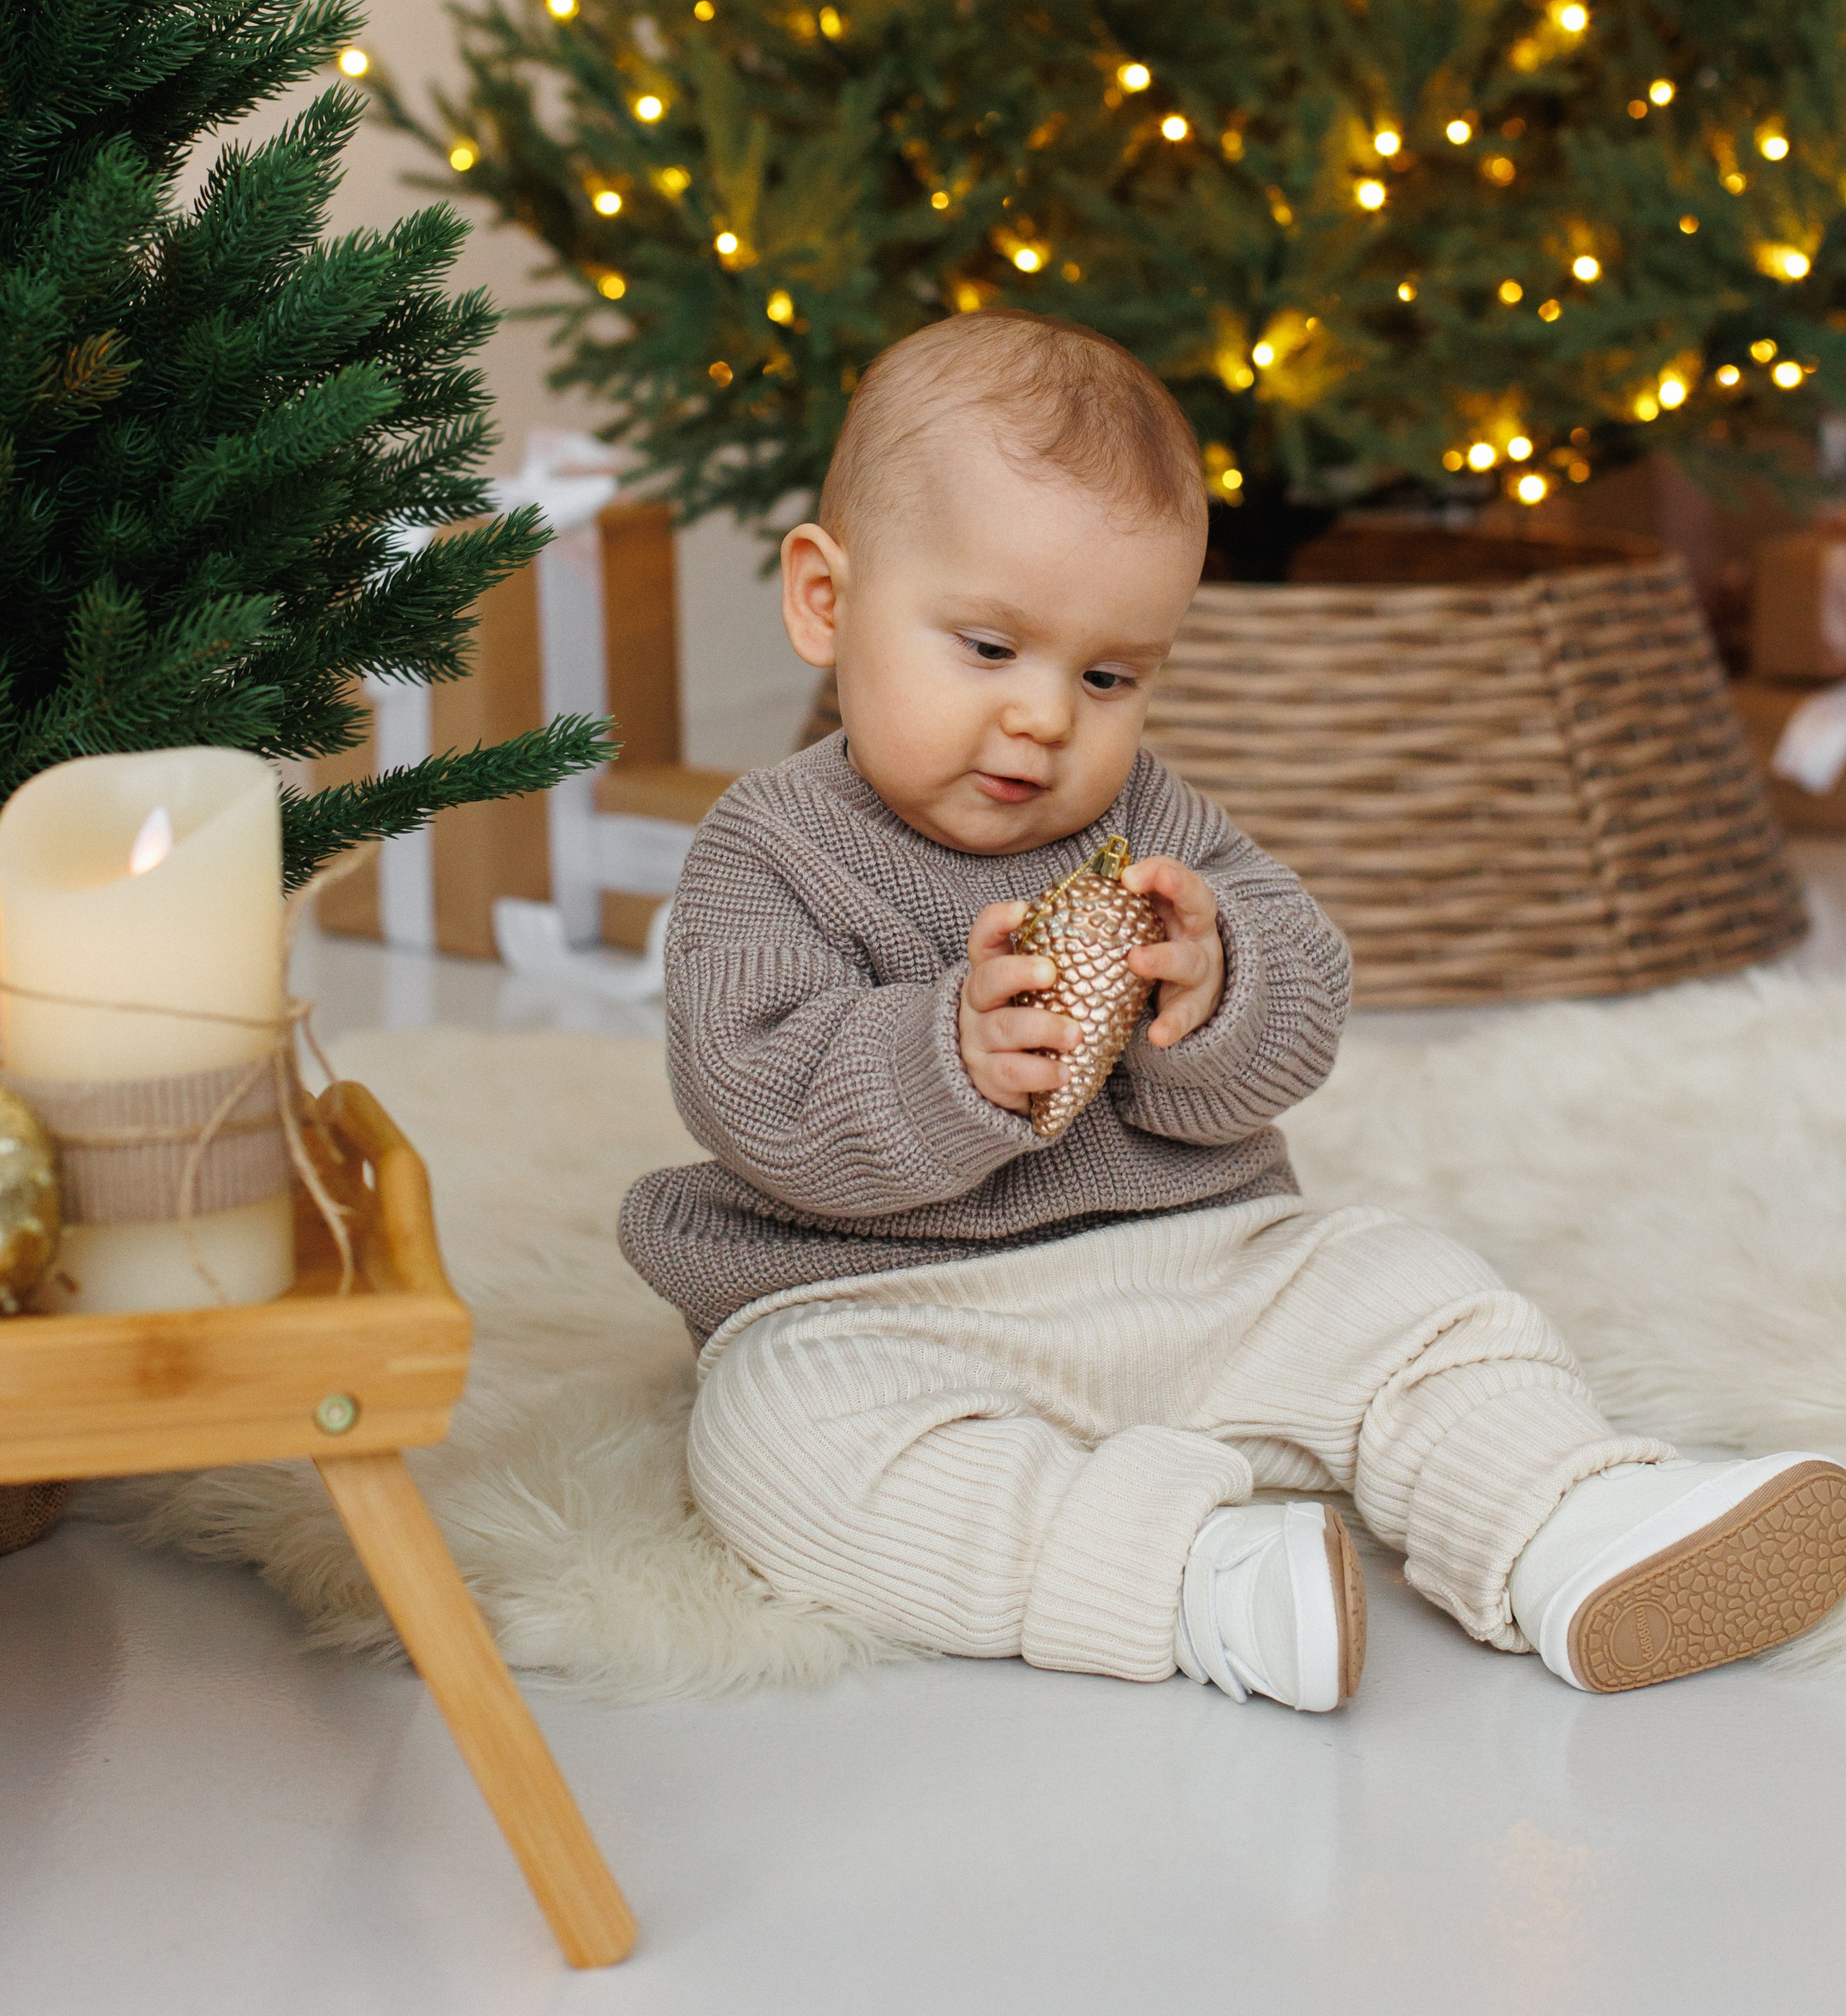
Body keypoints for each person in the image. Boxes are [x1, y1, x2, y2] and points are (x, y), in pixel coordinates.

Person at [620, 312, 1846, 1707]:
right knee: (775, 1445)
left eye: (1107, 677)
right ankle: (1199, 1578)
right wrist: (938, 1058)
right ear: (825, 603)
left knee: (1408, 1287)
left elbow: (1303, 1011)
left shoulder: (1155, 827)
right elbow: (751, 1093)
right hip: (890, 1307)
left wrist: (1218, 990)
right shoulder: (766, 850)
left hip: (1193, 1264)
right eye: (986, 646)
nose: (1042, 718)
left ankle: (1562, 1521)